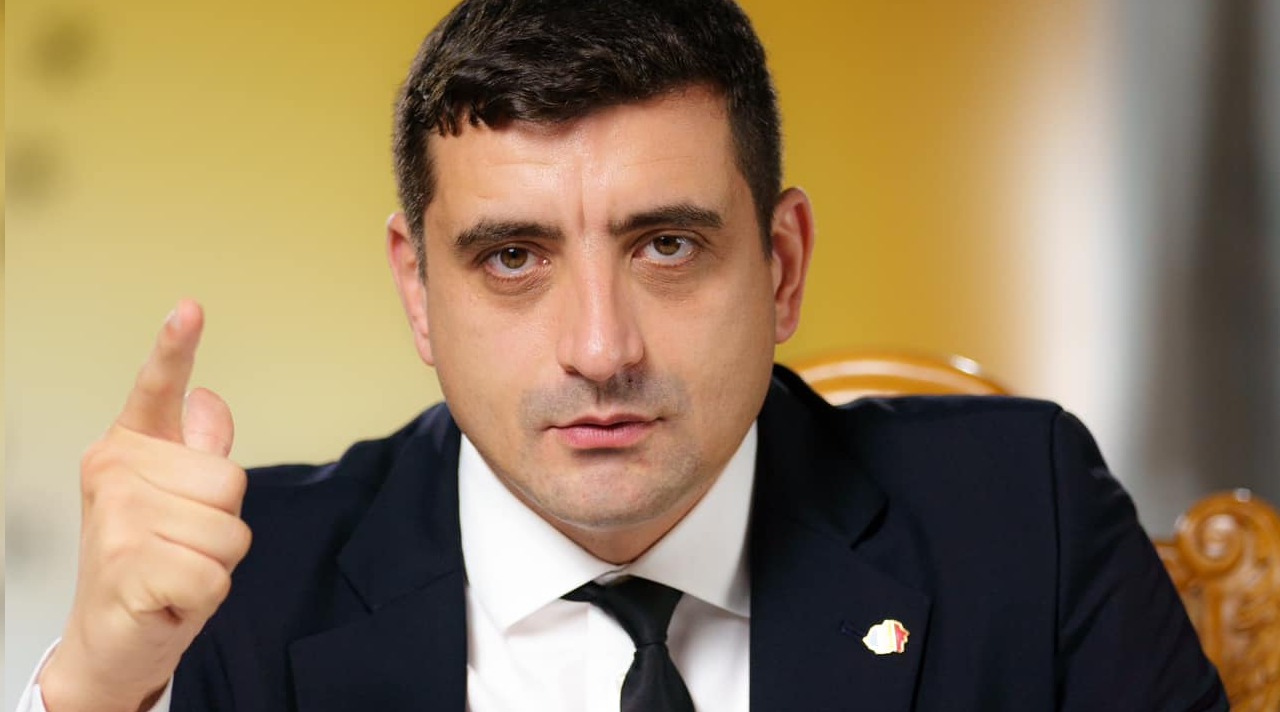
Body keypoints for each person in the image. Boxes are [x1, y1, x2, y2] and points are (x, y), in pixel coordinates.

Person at [19, 0, 1226, 710]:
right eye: (511, 257)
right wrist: (92, 694)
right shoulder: (241, 586)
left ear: (782, 265)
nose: (599, 349)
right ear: (417, 291)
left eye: (665, 246)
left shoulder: (1020, 515)